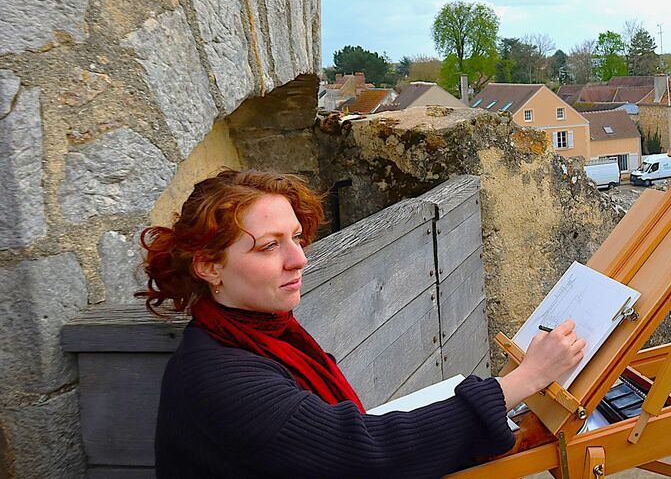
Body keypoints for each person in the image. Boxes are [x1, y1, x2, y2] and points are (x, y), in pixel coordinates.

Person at [140, 169, 584, 478]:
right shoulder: (221, 377)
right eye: (267, 247)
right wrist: (526, 378)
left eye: (295, 237)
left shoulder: (259, 333)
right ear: (208, 266)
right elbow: (365, 455)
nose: (299, 259)